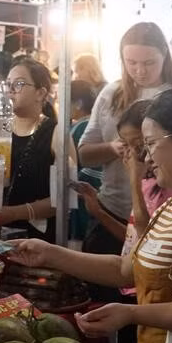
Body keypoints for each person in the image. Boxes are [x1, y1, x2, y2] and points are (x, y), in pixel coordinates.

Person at [9, 88, 172, 343]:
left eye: (150, 144)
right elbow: (125, 269)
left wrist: (132, 313)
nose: (146, 158)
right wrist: (49, 254)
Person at [78, 22, 172, 300]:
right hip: (112, 209)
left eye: (149, 63)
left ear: (165, 55)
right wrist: (112, 147)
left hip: (165, 219)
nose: (140, 71)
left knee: (148, 301)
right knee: (100, 299)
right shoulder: (111, 93)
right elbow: (84, 152)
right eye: (131, 62)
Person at [1, 58, 76, 243]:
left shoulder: (57, 133)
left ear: (40, 93)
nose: (11, 90)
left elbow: (66, 197)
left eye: (19, 84)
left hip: (37, 239)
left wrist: (14, 213)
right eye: (8, 84)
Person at [69, 80, 100, 242]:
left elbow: (72, 166)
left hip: (84, 192)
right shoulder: (93, 125)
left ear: (78, 104)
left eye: (65, 101)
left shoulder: (80, 128)